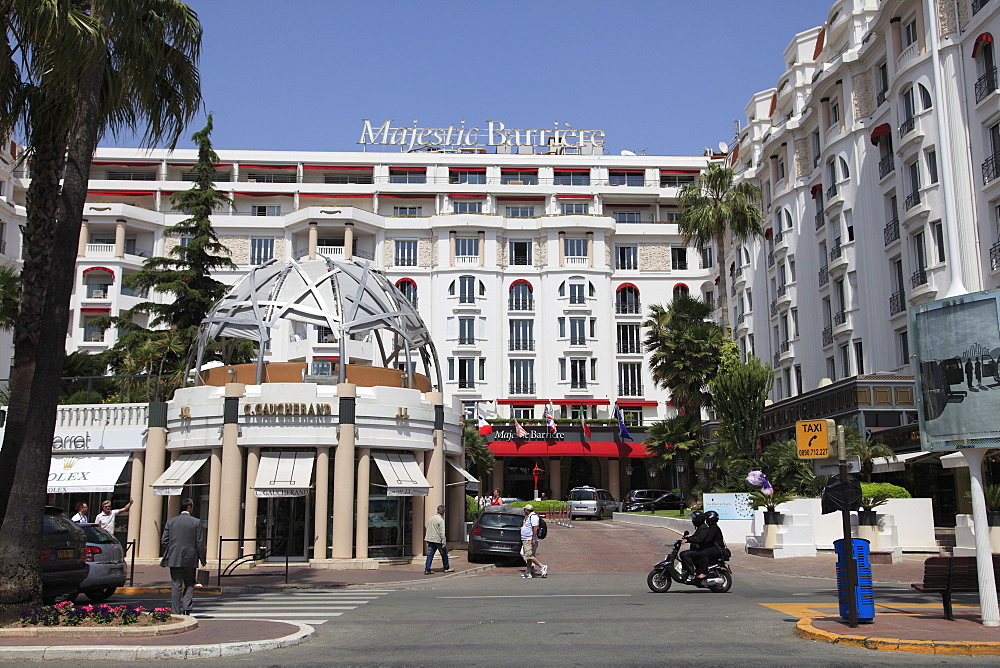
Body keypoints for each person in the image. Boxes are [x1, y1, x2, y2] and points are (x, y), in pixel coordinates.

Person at [160, 498, 206, 616]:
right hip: (190, 557)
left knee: (176, 584)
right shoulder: (196, 522)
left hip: (174, 557)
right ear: (189, 507)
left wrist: (171, 550)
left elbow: (164, 540)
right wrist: (203, 558)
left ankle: (175, 611)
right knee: (189, 582)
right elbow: (199, 542)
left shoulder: (171, 522)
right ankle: (187, 608)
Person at [692, 510, 726, 583]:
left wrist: (699, 544)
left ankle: (704, 572)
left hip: (718, 549)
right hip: (714, 548)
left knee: (704, 553)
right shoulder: (712, 527)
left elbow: (708, 540)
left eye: (706, 518)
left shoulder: (714, 528)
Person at [424, 505, 454, 575]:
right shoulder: (441, 520)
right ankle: (446, 567)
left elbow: (428, 528)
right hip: (437, 540)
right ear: (443, 512)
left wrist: (427, 539)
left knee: (430, 554)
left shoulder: (431, 518)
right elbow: (442, 532)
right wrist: (444, 542)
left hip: (430, 539)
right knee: (444, 554)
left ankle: (427, 569)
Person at [520, 504, 547, 578]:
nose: (524, 511)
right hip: (526, 539)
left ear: (527, 510)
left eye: (524, 509)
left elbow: (535, 528)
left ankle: (542, 566)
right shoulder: (529, 517)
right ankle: (528, 572)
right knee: (529, 556)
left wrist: (533, 538)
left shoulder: (533, 517)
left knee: (529, 556)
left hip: (529, 539)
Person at [679, 511, 706, 581]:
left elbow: (699, 539)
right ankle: (687, 571)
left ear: (698, 520)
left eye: (694, 519)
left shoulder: (704, 528)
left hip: (701, 551)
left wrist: (687, 540)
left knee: (684, 554)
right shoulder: (700, 527)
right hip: (698, 550)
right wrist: (685, 538)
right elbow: (694, 537)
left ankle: (691, 573)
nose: (692, 520)